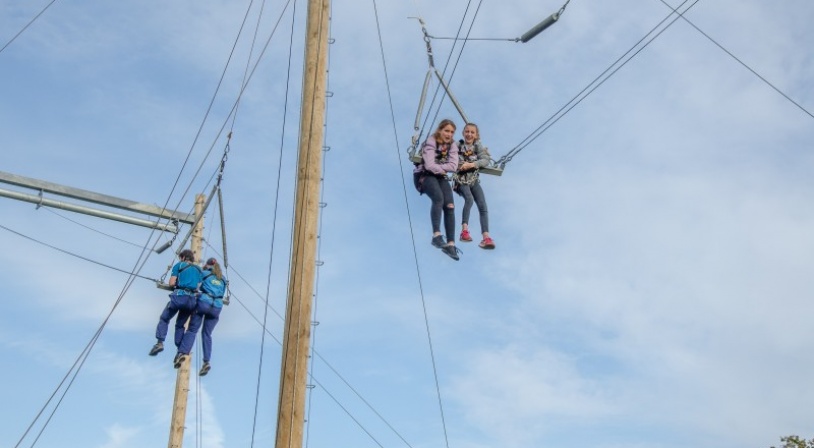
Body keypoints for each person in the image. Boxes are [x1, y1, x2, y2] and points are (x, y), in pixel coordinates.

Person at [413, 119, 461, 260]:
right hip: (424, 175)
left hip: (440, 176)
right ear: (440, 130)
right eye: (446, 130)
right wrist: (441, 168)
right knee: (439, 198)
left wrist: (440, 169)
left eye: (452, 132)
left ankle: (451, 245)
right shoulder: (431, 141)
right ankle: (436, 235)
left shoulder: (452, 146)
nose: (449, 134)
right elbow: (428, 165)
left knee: (450, 206)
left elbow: (453, 166)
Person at [176, 257, 228, 376]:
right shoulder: (223, 279)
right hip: (217, 307)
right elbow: (222, 292)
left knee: (193, 329)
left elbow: (194, 285)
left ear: (208, 265)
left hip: (204, 303)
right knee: (207, 334)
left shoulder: (204, 274)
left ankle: (182, 353)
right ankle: (206, 362)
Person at [148, 249, 202, 361]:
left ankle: (160, 343)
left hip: (179, 296)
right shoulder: (198, 270)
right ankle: (180, 352)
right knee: (180, 325)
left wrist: (178, 283)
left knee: (165, 318)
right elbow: (200, 286)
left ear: (182, 257)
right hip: (192, 301)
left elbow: (172, 283)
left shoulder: (179, 265)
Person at [453, 123, 495, 249]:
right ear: (463, 133)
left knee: (482, 205)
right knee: (469, 199)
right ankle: (464, 231)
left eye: (472, 132)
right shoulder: (458, 145)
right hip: (460, 180)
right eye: (467, 132)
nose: (469, 134)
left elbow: (485, 160)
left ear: (476, 135)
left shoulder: (478, 147)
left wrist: (471, 165)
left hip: (473, 180)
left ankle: (486, 237)